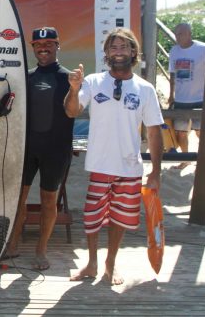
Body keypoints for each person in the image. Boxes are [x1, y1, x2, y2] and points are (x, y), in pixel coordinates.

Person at [64, 27, 163, 285]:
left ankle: (111, 263)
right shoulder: (94, 81)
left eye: (124, 47)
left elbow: (154, 133)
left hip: (130, 167)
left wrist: (155, 171)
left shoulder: (145, 88)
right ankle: (92, 263)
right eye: (113, 47)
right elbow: (72, 111)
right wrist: (74, 89)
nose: (118, 52)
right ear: (106, 53)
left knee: (120, 218)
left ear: (133, 52)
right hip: (99, 164)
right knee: (93, 217)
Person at [5, 27, 74, 270]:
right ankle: (12, 243)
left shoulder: (69, 78)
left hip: (55, 149)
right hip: (28, 148)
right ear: (32, 47)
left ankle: (41, 250)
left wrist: (75, 89)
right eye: (38, 44)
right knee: (18, 198)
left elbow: (74, 112)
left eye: (49, 43)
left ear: (57, 45)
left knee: (48, 201)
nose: (43, 48)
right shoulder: (26, 78)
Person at [167, 23, 205, 169]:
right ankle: (186, 159)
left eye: (181, 34)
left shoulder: (204, 49)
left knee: (200, 132)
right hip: (181, 99)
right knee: (180, 132)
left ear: (189, 34)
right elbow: (172, 73)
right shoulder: (174, 51)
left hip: (200, 99)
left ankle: (204, 159)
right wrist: (171, 95)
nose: (177, 37)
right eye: (176, 34)